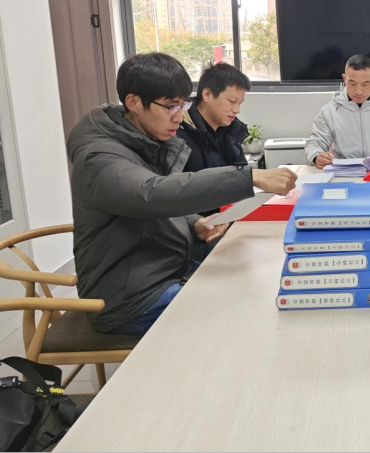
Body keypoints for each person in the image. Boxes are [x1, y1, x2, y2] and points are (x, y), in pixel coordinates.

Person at [68, 53, 297, 335]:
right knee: (245, 311)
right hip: (131, 299)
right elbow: (151, 194)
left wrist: (193, 223)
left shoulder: (143, 139)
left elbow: (150, 206)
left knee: (255, 277)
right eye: (170, 106)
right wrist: (248, 177)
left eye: (182, 104)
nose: (178, 116)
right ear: (134, 102)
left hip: (167, 269)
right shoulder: (99, 157)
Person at [178, 62, 251, 174]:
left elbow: (242, 174)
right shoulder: (179, 133)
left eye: (240, 104)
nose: (237, 110)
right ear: (207, 95)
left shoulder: (231, 131)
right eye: (232, 101)